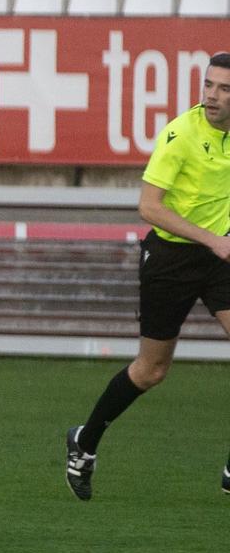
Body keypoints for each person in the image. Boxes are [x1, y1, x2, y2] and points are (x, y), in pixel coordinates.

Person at [66, 51, 230, 499]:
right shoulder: (179, 135)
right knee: (151, 370)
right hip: (171, 260)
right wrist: (213, 238)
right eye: (209, 85)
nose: (213, 96)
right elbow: (149, 207)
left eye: (225, 88)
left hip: (217, 258)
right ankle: (85, 441)